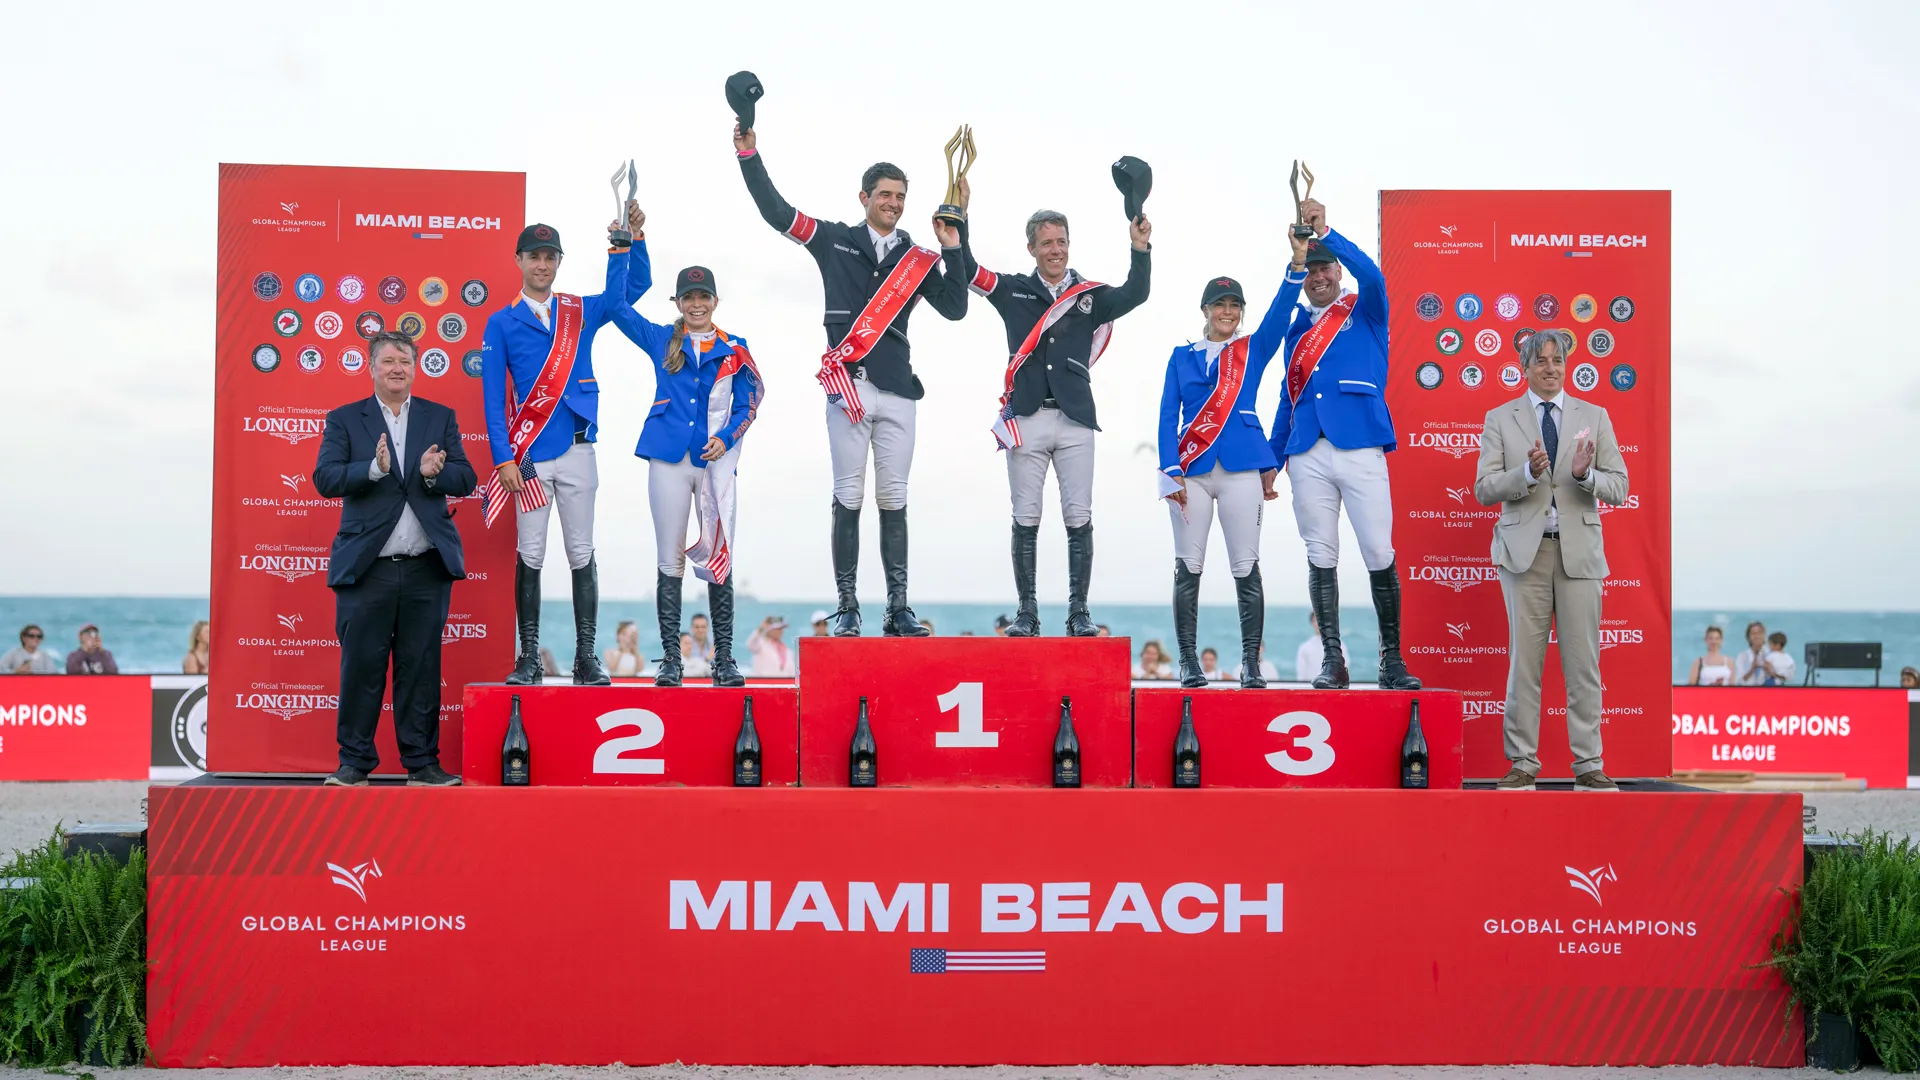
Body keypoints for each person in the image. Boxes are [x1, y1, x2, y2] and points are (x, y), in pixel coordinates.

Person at [734, 121, 969, 638]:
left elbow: (956, 307)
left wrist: (956, 241)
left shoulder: (918, 257)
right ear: (864, 197)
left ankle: (899, 608)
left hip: (899, 390)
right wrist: (749, 153)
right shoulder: (834, 239)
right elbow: (776, 211)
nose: (894, 203)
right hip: (850, 383)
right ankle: (848, 606)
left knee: (895, 498)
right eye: (885, 195)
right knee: (848, 493)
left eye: (901, 197)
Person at [958, 196, 1152, 638]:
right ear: (1031, 249)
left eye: (1061, 241)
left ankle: (1078, 612)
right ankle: (1027, 612)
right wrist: (962, 219)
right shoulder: (1011, 289)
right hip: (1025, 417)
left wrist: (1140, 249)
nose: (1056, 250)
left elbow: (1135, 294)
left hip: (1076, 419)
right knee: (1025, 516)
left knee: (1078, 515)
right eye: (1046, 243)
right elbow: (968, 270)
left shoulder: (1090, 296)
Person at [482, 208, 647, 687]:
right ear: (519, 261)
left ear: (558, 262)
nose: (541, 265)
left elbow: (625, 296)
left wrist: (626, 244)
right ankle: (529, 659)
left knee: (581, 551)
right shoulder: (501, 322)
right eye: (533, 256)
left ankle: (586, 659)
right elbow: (493, 400)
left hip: (578, 449)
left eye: (549, 257)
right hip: (528, 455)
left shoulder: (579, 310)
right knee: (530, 552)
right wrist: (503, 458)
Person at [1267, 198, 1418, 692]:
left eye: (1325, 265)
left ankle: (1391, 660)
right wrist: (1274, 455)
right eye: (1310, 268)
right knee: (1320, 553)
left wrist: (1324, 231)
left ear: (1336, 268)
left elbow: (1371, 274)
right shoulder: (1296, 332)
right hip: (1307, 451)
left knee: (1378, 549)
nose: (1318, 275)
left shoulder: (1367, 308)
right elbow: (1288, 398)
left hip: (1360, 444)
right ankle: (1333, 659)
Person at [313, 330, 476, 786]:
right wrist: (373, 469)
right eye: (387, 361)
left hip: (426, 567)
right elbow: (324, 478)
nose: (397, 368)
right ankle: (353, 764)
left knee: (421, 670)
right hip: (368, 569)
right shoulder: (345, 419)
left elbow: (466, 476)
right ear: (371, 367)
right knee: (361, 668)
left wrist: (432, 476)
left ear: (415, 366)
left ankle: (422, 764)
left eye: (404, 360)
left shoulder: (439, 417)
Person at [1473, 329, 1629, 792]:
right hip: (1525, 555)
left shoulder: (1595, 416)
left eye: (1556, 359)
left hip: (1579, 553)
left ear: (1566, 365)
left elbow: (1620, 485)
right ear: (1525, 367)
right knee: (1525, 664)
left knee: (1584, 666)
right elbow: (1485, 488)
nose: (1550, 367)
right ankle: (1522, 763)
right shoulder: (1500, 418)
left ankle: (1589, 765)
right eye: (1540, 360)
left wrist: (1585, 476)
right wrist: (1525, 473)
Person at [1159, 227, 1308, 688]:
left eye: (1234, 306)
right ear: (1205, 310)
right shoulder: (1181, 356)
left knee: (1246, 565)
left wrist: (1296, 268)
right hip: (1193, 471)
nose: (1227, 312)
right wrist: (1170, 470)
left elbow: (1280, 317)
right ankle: (1187, 661)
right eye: (1220, 305)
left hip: (1243, 467)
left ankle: (1249, 664)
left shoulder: (1251, 350)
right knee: (1189, 565)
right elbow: (1168, 415)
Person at [615, 264, 763, 688]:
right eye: (689, 298)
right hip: (668, 458)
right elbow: (618, 307)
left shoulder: (736, 348)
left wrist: (728, 437)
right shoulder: (663, 338)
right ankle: (670, 661)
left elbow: (747, 404)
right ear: (678, 303)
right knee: (670, 558)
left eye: (704, 297)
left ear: (715, 301)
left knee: (721, 553)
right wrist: (629, 246)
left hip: (716, 460)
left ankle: (725, 658)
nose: (697, 304)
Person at [1732, 621, 1770, 685]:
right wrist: (1751, 670)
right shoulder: (1742, 657)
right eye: (1753, 633)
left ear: (1764, 635)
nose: (1757, 636)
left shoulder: (1771, 654)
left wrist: (1771, 671)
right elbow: (1738, 682)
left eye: (1760, 633)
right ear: (1748, 637)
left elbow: (1783, 678)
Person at [1294, 611, 1325, 683]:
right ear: (1312, 623)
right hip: (1310, 688)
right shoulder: (1304, 648)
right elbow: (1301, 675)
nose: (1318, 623)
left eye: (1321, 620)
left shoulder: (1340, 646)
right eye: (1315, 620)